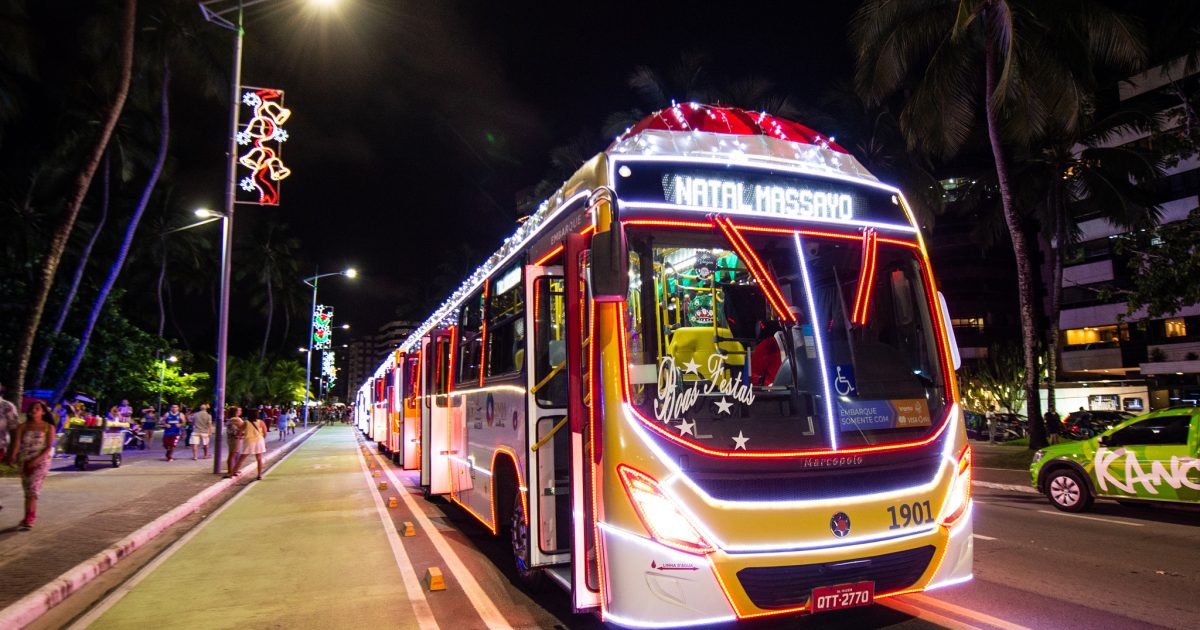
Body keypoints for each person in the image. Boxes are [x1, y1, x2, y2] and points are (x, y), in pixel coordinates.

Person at [9, 401, 56, 530]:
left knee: (33, 489)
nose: (34, 410)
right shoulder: (23, 427)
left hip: (41, 461)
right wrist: (12, 456)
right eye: (32, 408)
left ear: (43, 412)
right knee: (27, 490)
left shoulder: (48, 427)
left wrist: (36, 461)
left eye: (37, 408)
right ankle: (27, 517)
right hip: (24, 460)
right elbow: (17, 444)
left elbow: (48, 448)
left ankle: (29, 518)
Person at [234, 409, 267, 480]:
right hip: (259, 441)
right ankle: (259, 475)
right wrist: (262, 439)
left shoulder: (246, 422)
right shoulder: (261, 422)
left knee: (242, 458)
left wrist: (240, 438)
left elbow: (239, 432)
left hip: (249, 441)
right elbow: (265, 433)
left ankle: (232, 472)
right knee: (259, 459)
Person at [224, 406, 245, 478]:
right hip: (234, 439)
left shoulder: (232, 419)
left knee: (235, 454)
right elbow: (244, 425)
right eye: (239, 410)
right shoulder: (235, 419)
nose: (241, 411)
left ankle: (234, 470)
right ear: (235, 412)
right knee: (232, 454)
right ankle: (230, 471)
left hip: (236, 438)